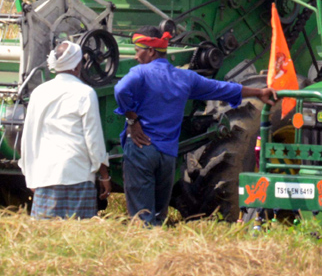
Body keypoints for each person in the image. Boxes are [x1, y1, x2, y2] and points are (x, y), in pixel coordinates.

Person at [114, 27, 277, 226]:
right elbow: (222, 89)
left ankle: (144, 250)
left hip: (141, 150)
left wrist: (132, 120)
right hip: (167, 156)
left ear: (150, 51)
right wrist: (259, 93)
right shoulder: (185, 77)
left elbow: (120, 89)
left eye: (138, 50)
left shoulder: (140, 73)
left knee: (142, 217)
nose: (135, 55)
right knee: (158, 216)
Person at [18, 40, 111, 220]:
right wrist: (104, 176)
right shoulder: (85, 93)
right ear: (78, 66)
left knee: (45, 238)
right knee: (77, 237)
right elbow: (94, 140)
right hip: (78, 174)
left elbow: (28, 137)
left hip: (46, 175)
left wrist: (30, 176)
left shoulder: (39, 92)